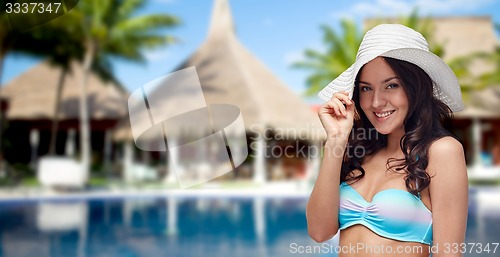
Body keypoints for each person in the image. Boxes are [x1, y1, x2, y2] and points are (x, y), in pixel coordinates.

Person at [306, 24, 468, 257]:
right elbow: (319, 232)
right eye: (366, 88)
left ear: (416, 88)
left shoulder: (441, 152)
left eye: (391, 85)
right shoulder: (358, 152)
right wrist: (336, 140)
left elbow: (449, 253)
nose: (376, 102)